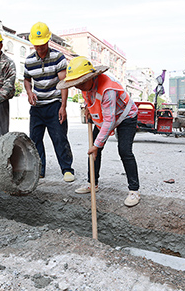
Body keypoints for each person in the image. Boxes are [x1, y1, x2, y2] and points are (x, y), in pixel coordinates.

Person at [57, 56, 141, 207]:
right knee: (94, 150)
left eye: (80, 83)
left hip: (125, 116)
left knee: (124, 150)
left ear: (90, 77)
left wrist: (98, 144)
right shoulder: (84, 86)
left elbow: (110, 121)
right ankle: (92, 183)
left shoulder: (108, 89)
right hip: (106, 116)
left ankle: (134, 190)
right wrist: (89, 109)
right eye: (75, 84)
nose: (78, 87)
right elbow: (90, 99)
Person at [24, 22, 74, 182]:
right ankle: (39, 169)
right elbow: (26, 79)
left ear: (48, 40)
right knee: (35, 139)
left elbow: (64, 82)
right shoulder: (29, 61)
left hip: (54, 105)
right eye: (36, 45)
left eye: (42, 44)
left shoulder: (58, 57)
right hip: (37, 107)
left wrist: (63, 106)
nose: (40, 47)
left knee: (59, 138)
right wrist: (29, 92)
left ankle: (67, 169)